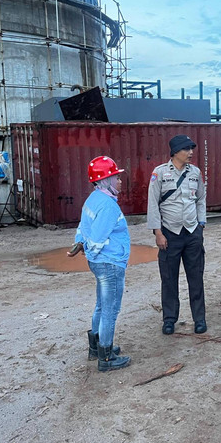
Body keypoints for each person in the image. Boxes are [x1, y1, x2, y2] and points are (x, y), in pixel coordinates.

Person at [68, 155, 131, 372]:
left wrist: (81, 244)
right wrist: (90, 249)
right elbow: (95, 239)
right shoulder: (108, 206)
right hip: (109, 263)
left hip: (100, 263)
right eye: (116, 177)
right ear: (106, 181)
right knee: (110, 310)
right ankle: (106, 357)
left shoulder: (93, 199)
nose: (120, 181)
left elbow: (82, 229)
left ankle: (96, 348)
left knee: (101, 305)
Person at [147, 134, 207, 335]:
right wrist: (157, 232)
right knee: (169, 279)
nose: (191, 153)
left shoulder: (195, 173)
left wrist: (200, 224)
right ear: (175, 152)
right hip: (169, 234)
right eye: (186, 149)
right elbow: (152, 203)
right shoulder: (160, 173)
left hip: (191, 233)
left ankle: (199, 319)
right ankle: (169, 319)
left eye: (191, 149)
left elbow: (200, 199)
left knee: (196, 278)